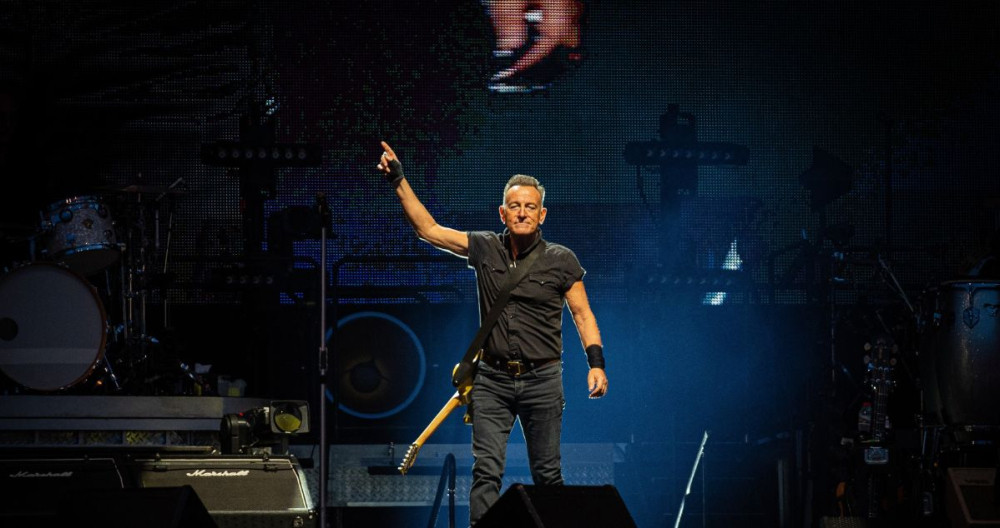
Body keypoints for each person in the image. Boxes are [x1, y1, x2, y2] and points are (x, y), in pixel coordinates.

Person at [376, 140, 608, 525]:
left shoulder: (561, 259)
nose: (522, 213)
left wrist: (596, 364)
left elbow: (582, 314)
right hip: (493, 379)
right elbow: (429, 229)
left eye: (530, 206)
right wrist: (399, 179)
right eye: (515, 206)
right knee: (486, 473)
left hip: (543, 379)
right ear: (503, 212)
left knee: (548, 474)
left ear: (542, 214)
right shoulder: (485, 248)